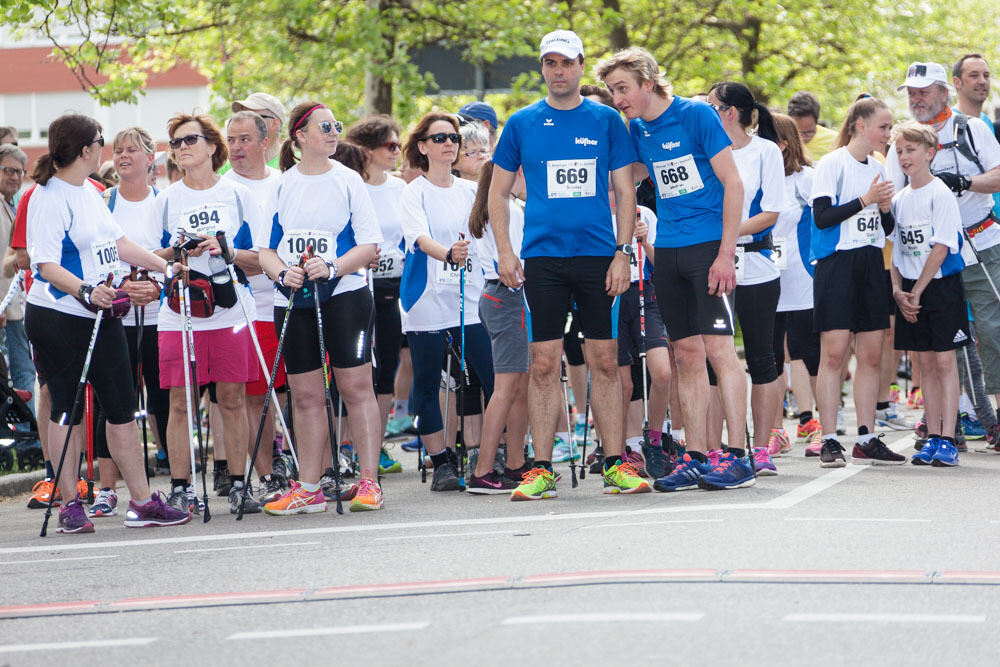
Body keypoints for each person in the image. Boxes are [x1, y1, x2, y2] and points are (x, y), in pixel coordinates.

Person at [490, 30, 649, 500]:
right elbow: (497, 193)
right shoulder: (521, 122)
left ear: (581, 66)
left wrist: (623, 253)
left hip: (598, 257)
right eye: (550, 63)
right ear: (542, 68)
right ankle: (541, 468)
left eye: (567, 62)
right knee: (542, 362)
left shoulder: (605, 120)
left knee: (605, 360)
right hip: (542, 259)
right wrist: (504, 250)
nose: (559, 71)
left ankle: (615, 461)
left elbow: (625, 192)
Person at [25, 113, 190, 533]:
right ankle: (70, 504)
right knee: (66, 409)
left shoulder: (91, 192)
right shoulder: (48, 196)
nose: (105, 147)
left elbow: (118, 242)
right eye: (101, 140)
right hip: (59, 315)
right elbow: (44, 264)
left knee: (121, 408)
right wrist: (83, 290)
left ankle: (142, 501)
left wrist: (163, 267)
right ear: (85, 149)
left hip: (102, 314)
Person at [596, 46, 751, 491]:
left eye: (623, 88)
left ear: (648, 81)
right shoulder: (637, 128)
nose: (618, 98)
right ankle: (697, 455)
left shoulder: (698, 116)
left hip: (708, 248)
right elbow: (628, 178)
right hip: (670, 251)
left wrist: (725, 253)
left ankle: (738, 455)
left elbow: (733, 184)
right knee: (686, 357)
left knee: (720, 351)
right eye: (612, 90)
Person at [258, 101, 385, 513]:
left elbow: (368, 245)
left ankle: (369, 482)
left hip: (345, 293)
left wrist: (331, 267)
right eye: (325, 126)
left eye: (337, 125)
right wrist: (282, 274)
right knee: (306, 394)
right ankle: (309, 485)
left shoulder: (348, 180)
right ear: (300, 136)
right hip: (293, 298)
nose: (334, 132)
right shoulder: (280, 185)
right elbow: (265, 251)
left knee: (355, 388)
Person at [154, 112, 266, 514]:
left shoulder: (237, 195)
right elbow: (150, 258)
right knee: (180, 401)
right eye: (176, 143)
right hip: (180, 310)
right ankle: (181, 488)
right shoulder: (165, 199)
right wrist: (178, 252)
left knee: (232, 398)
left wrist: (225, 250)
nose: (182, 148)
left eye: (190, 140)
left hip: (231, 310)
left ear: (212, 147)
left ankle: (239, 483)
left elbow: (262, 256)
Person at [886, 62, 1000, 442]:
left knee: (991, 331)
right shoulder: (902, 141)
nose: (916, 99)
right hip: (929, 259)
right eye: (911, 92)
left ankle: (993, 414)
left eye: (924, 91)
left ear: (943, 92)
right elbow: (892, 199)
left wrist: (965, 181)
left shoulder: (971, 128)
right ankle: (963, 420)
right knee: (947, 344)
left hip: (980, 243)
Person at [399, 112, 495, 492]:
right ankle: (440, 461)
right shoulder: (414, 191)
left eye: (453, 137)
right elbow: (418, 237)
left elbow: (488, 238)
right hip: (425, 298)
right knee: (426, 383)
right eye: (439, 138)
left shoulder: (470, 191)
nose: (449, 144)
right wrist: (447, 254)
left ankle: (486, 455)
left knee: (490, 375)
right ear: (423, 146)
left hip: (470, 298)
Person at [809, 96, 904, 467]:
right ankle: (829, 437)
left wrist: (883, 209)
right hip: (837, 263)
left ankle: (867, 436)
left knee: (871, 354)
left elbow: (888, 228)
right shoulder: (832, 164)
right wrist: (866, 200)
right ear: (860, 125)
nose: (888, 133)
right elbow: (822, 217)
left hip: (870, 262)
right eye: (883, 126)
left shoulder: (879, 166)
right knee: (833, 354)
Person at [88, 127, 172, 518]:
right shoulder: (104, 201)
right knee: (114, 402)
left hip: (160, 315)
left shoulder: (165, 201)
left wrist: (155, 285)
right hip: (116, 316)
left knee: (162, 397)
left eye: (131, 150)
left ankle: (174, 482)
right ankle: (107, 488)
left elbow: (174, 255)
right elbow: (98, 255)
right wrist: (122, 285)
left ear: (149, 158)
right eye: (118, 150)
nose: (123, 156)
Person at [707, 81, 786, 477]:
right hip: (713, 266)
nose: (706, 113)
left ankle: (762, 447)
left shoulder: (765, 151)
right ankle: (716, 448)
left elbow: (770, 212)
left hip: (756, 266)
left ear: (730, 112)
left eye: (711, 106)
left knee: (761, 358)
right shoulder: (707, 150)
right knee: (716, 361)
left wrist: (727, 234)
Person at [888, 122, 967, 466]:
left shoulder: (940, 194)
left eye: (912, 150)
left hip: (941, 287)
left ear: (930, 153)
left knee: (945, 361)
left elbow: (940, 248)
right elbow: (896, 251)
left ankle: (949, 437)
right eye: (900, 150)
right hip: (910, 289)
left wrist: (917, 290)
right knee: (924, 363)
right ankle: (932, 434)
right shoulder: (899, 199)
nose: (905, 156)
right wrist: (897, 290)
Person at [223, 110, 287, 503]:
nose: (236, 147)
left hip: (290, 301)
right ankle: (267, 476)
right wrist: (264, 259)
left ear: (266, 142)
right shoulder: (223, 189)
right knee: (254, 396)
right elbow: (229, 254)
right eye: (231, 140)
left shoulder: (285, 182)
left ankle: (315, 470)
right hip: (249, 308)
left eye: (244, 139)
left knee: (302, 391)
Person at [343, 115, 410, 471]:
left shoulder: (400, 188)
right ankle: (345, 445)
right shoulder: (350, 184)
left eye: (399, 145)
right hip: (353, 284)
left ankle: (376, 444)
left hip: (391, 285)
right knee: (354, 368)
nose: (397, 151)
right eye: (390, 145)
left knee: (386, 364)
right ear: (366, 150)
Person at [468, 161, 531, 492]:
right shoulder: (510, 210)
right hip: (509, 297)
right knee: (506, 388)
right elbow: (521, 258)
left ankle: (515, 463)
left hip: (494, 296)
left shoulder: (487, 210)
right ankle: (482, 469)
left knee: (515, 386)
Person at [770, 113, 822, 453]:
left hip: (802, 274)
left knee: (807, 350)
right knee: (771, 354)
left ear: (784, 143)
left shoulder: (806, 178)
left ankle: (816, 423)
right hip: (764, 275)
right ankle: (776, 431)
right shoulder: (756, 175)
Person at [0, 144, 35, 416]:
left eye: (19, 172)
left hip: (18, 308)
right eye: (7, 170)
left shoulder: (17, 204)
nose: (14, 177)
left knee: (25, 373)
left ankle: (27, 439)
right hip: (2, 308)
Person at [225, 92, 287, 169]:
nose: (245, 122)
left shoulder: (296, 163)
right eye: (242, 116)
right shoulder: (228, 167)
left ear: (275, 123)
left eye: (253, 117)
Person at [787, 92, 838, 160]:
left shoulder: (835, 140)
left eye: (809, 132)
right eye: (798, 133)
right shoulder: (782, 141)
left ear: (817, 121)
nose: (803, 138)